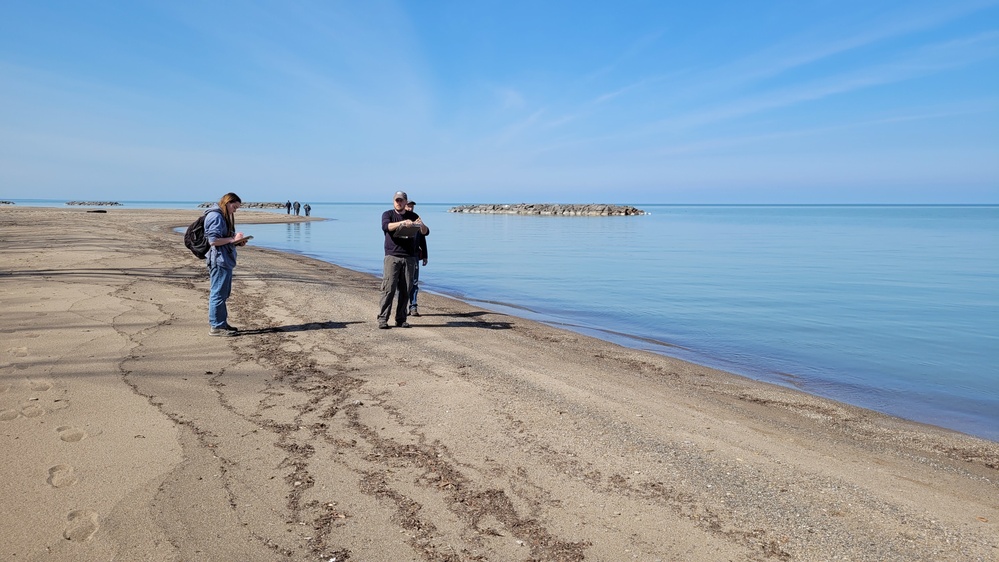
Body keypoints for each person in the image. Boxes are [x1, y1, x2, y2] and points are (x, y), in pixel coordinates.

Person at [378, 191, 428, 329]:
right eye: (396, 200)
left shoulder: (413, 216)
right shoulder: (388, 214)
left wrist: (420, 225)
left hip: (410, 257)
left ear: (406, 202)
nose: (399, 203)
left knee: (406, 289)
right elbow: (386, 226)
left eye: (401, 200)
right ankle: (383, 319)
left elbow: (425, 232)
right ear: (394, 202)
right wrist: (402, 223)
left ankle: (401, 319)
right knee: (389, 288)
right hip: (392, 256)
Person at [205, 192, 249, 336]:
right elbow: (213, 241)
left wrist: (236, 242)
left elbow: (221, 239)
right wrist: (231, 240)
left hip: (224, 258)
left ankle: (221, 323)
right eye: (234, 207)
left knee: (222, 293)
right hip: (219, 260)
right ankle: (216, 326)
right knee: (218, 293)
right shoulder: (216, 216)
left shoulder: (222, 216)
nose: (235, 211)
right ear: (228, 203)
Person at [404, 200, 428, 317]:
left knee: (414, 282)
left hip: (414, 255)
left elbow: (423, 238)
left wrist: (425, 256)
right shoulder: (400, 219)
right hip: (402, 255)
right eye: (408, 206)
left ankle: (413, 307)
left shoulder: (417, 219)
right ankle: (403, 308)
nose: (410, 208)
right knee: (402, 283)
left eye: (411, 206)